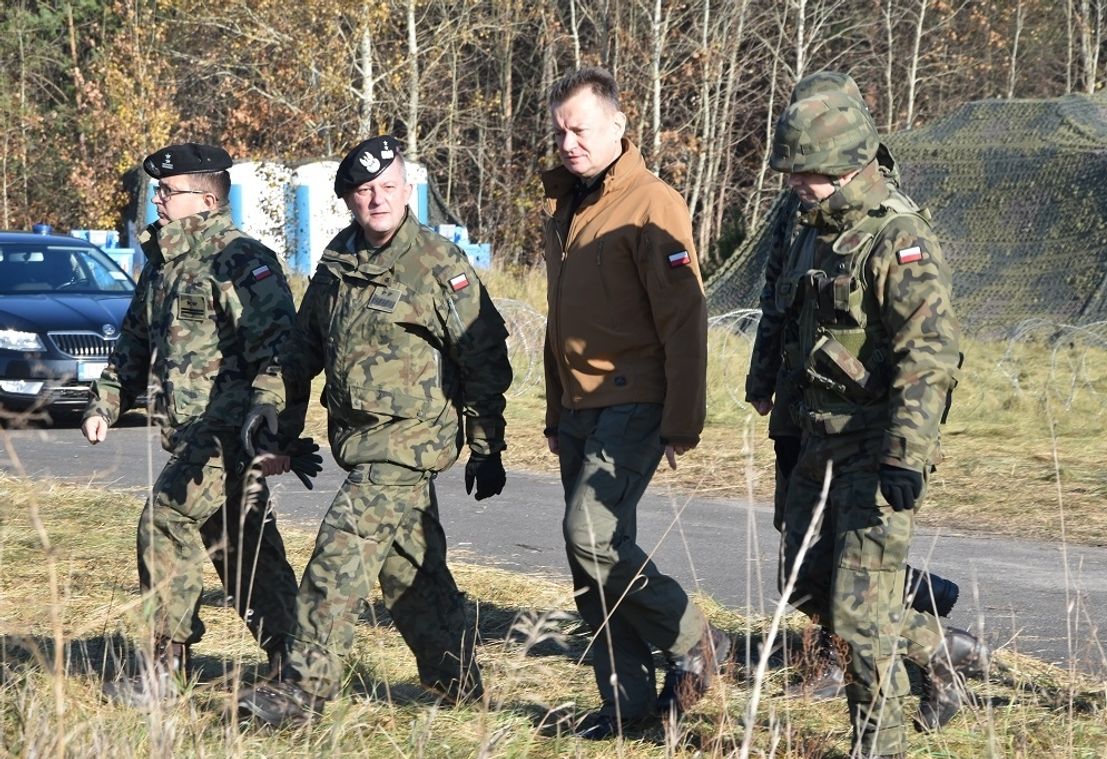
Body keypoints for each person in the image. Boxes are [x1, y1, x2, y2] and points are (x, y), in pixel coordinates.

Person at [234, 135, 512, 726]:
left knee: (339, 551)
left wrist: (486, 446)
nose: (377, 199)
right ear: (348, 200)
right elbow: (302, 348)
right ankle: (459, 686)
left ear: (408, 191)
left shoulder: (438, 264)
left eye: (388, 187)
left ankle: (302, 690)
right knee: (410, 574)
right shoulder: (339, 262)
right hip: (360, 444)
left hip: (411, 442)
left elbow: (483, 357)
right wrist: (270, 406)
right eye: (364, 190)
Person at [768, 92, 988, 758]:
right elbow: (793, 330)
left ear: (843, 165)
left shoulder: (899, 237)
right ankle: (938, 647)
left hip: (874, 444)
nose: (793, 182)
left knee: (860, 621)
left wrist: (905, 453)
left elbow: (930, 354)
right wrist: (783, 425)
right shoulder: (809, 229)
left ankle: (880, 747)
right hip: (815, 439)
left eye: (803, 170)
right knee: (802, 582)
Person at [541, 67, 729, 740]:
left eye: (580, 129)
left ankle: (696, 638)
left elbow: (685, 318)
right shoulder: (566, 206)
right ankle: (625, 704)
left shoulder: (653, 203)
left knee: (589, 535)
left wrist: (682, 419)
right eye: (560, 132)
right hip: (580, 406)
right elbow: (558, 320)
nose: (568, 143)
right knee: (590, 561)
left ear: (618, 126)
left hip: (636, 400)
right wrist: (555, 411)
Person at [81, 142, 302, 706]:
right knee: (243, 546)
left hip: (227, 433)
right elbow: (134, 343)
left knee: (164, 520)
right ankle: (297, 662)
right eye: (157, 190)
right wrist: (106, 403)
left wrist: (270, 427)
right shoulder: (163, 262)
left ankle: (164, 669)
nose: (157, 199)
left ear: (206, 200)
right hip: (186, 434)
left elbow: (280, 351)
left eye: (168, 191)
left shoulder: (240, 260)